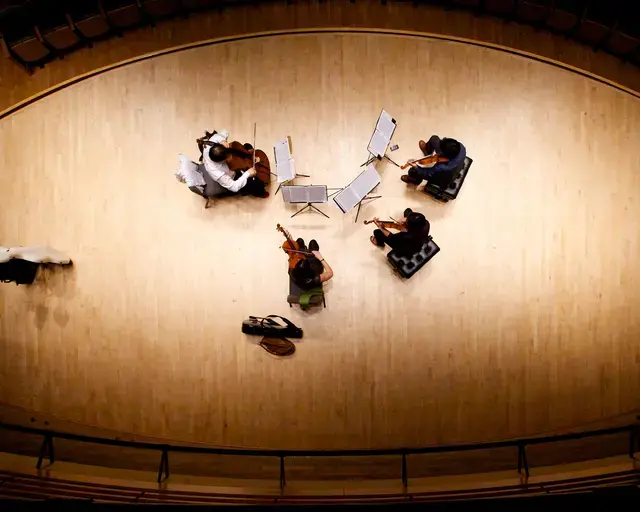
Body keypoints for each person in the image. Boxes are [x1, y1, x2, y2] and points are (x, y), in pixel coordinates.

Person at [200, 130, 269, 198]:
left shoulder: (209, 145)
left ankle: (247, 156)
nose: (230, 156)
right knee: (257, 184)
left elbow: (221, 134)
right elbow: (234, 187)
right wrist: (247, 174)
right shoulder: (217, 173)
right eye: (227, 157)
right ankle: (260, 193)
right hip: (233, 176)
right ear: (221, 161)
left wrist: (222, 140)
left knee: (246, 146)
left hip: (229, 163)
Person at [401, 136, 466, 187]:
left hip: (444, 179)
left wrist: (416, 166)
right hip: (453, 158)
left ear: (444, 154)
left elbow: (427, 173)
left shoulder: (442, 167)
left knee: (412, 171)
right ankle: (427, 152)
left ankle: (416, 180)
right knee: (434, 139)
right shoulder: (461, 147)